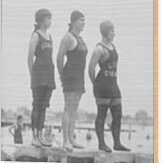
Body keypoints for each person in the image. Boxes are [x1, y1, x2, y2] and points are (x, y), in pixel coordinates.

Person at [89, 20, 130, 152]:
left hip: (113, 84)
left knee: (118, 114)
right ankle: (102, 143)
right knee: (102, 114)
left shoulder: (112, 46)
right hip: (102, 85)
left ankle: (117, 143)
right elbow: (90, 68)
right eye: (112, 31)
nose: (114, 33)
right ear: (106, 32)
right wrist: (95, 84)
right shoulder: (99, 49)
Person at [57, 10, 87, 151]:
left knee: (75, 109)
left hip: (79, 77)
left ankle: (72, 139)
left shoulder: (80, 38)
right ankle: (65, 141)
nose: (83, 23)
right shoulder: (68, 37)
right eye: (81, 20)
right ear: (74, 21)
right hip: (70, 76)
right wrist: (62, 75)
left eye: (84, 20)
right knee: (68, 108)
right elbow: (59, 57)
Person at [28, 9, 56, 147]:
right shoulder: (36, 36)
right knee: (37, 106)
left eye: (51, 18)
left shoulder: (50, 36)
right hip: (39, 75)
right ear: (40, 20)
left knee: (44, 106)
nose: (50, 21)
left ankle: (40, 135)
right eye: (48, 19)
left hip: (49, 74)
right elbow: (29, 58)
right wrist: (32, 76)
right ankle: (34, 136)